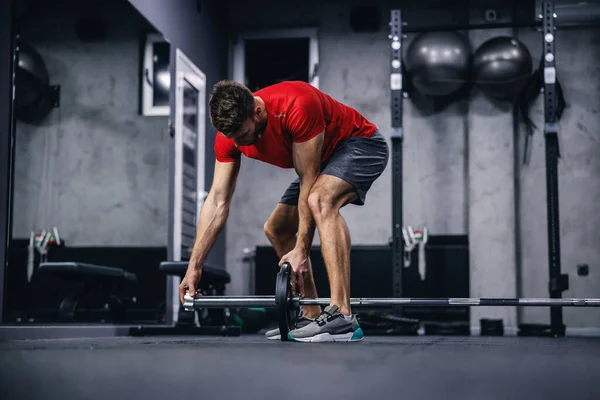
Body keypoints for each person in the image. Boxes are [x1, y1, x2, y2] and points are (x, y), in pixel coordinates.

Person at [179, 79, 389, 343]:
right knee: (276, 228)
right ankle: (311, 314)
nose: (240, 143)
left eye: (243, 135)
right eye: (234, 138)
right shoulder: (229, 136)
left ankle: (342, 316)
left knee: (321, 201)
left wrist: (302, 249)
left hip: (361, 144)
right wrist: (194, 267)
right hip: (325, 160)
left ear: (257, 111)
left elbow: (309, 180)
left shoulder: (297, 104)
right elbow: (217, 201)